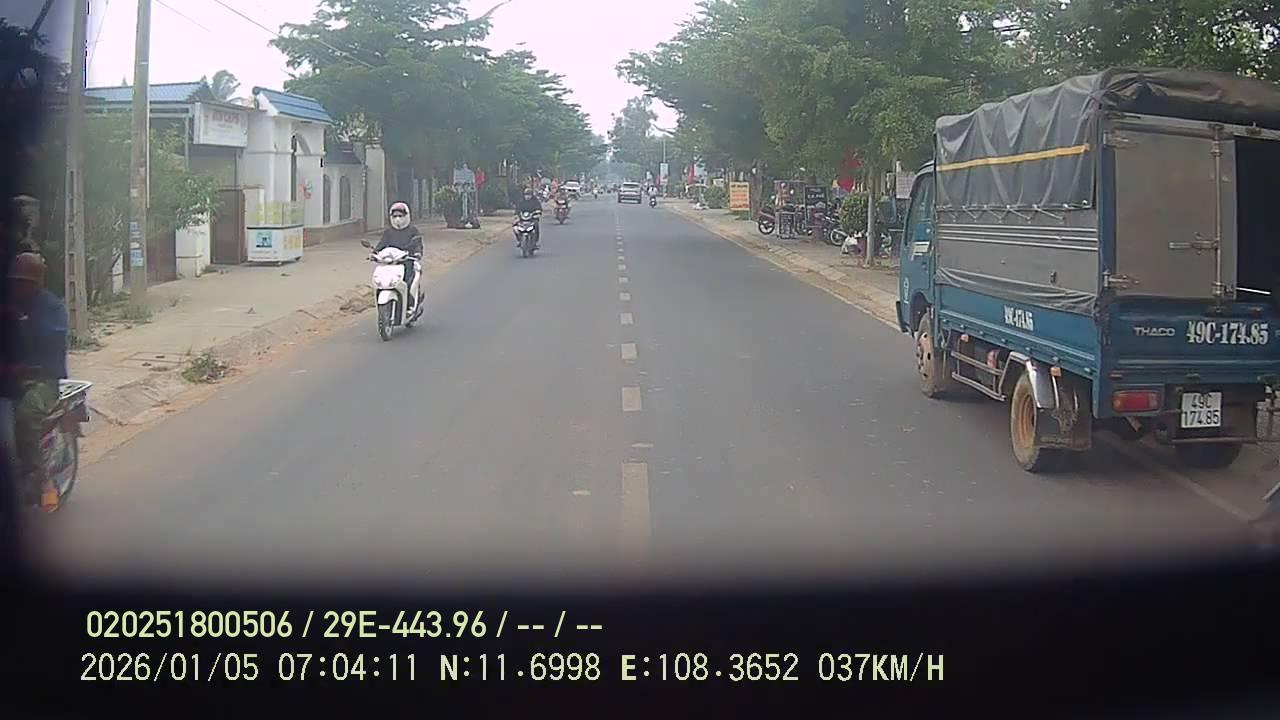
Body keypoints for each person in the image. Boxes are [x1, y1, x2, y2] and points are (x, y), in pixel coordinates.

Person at [10, 252, 67, 507]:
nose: (19, 287)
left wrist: (26, 328)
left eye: (25, 282)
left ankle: (44, 482)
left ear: (37, 281)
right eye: (16, 282)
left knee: (26, 416)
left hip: (44, 379)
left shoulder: (52, 307)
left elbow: (54, 340)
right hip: (12, 377)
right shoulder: (11, 306)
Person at [374, 202, 424, 310]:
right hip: (391, 263)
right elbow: (382, 244)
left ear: (406, 216)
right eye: (395, 216)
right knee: (382, 282)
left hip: (407, 262)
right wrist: (375, 253)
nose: (397, 219)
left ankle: (410, 305)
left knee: (408, 282)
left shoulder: (413, 230)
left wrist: (417, 253)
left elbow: (418, 244)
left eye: (400, 216)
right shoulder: (388, 232)